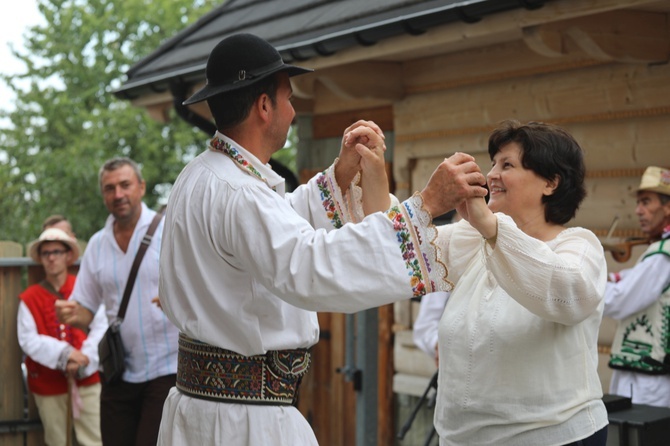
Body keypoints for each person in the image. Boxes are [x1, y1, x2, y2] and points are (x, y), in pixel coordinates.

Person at [156, 33, 487, 446]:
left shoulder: (203, 176)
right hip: (242, 424)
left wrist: (338, 179)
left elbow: (270, 235)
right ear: (264, 106)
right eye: (289, 98)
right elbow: (308, 268)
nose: (293, 111)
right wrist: (426, 204)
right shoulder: (241, 192)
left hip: (209, 410)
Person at [431, 120, 609, 445]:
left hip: (552, 438)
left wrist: (488, 224)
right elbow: (406, 249)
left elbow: (568, 292)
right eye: (494, 163)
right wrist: (372, 172)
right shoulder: (472, 238)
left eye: (508, 164)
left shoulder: (580, 246)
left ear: (550, 183)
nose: (492, 175)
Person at [54, 157, 179, 446]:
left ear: (141, 187)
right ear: (103, 195)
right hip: (117, 370)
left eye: (125, 185)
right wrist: (70, 313)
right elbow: (86, 310)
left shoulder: (169, 230)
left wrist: (176, 298)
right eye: (109, 188)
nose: (118, 194)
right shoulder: (98, 243)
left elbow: (198, 283)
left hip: (167, 368)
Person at [18, 227, 105, 446]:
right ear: (40, 258)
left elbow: (102, 325)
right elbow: (29, 339)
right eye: (46, 253)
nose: (51, 257)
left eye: (57, 251)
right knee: (57, 441)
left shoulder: (86, 289)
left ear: (68, 256)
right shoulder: (29, 298)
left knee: (94, 440)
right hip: (49, 384)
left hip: (88, 378)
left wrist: (84, 358)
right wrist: (65, 355)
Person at [604, 166, 670, 407]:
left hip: (648, 378)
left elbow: (619, 300)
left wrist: (584, 285)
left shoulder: (662, 255)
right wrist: (612, 278)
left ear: (668, 207)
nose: (638, 210)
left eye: (646, 202)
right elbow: (635, 280)